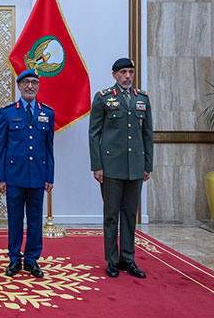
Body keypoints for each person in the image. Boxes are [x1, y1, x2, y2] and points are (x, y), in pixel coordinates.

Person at [88, 57, 153, 279]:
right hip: (111, 167)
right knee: (111, 216)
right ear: (114, 74)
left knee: (129, 215)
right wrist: (97, 165)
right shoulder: (103, 98)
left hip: (135, 167)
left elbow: (147, 134)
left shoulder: (142, 98)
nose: (127, 76)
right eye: (123, 72)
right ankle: (112, 261)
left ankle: (128, 259)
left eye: (130, 72)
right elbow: (94, 133)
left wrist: (147, 165)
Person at [0, 68, 54, 278]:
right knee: (15, 219)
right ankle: (14, 259)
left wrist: (50, 176)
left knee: (35, 220)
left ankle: (31, 259)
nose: (30, 86)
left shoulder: (47, 113)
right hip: (14, 176)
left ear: (38, 86)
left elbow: (49, 148)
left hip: (38, 176)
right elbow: (1, 147)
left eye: (34, 83)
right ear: (19, 86)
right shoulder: (8, 112)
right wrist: (0, 177)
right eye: (26, 82)